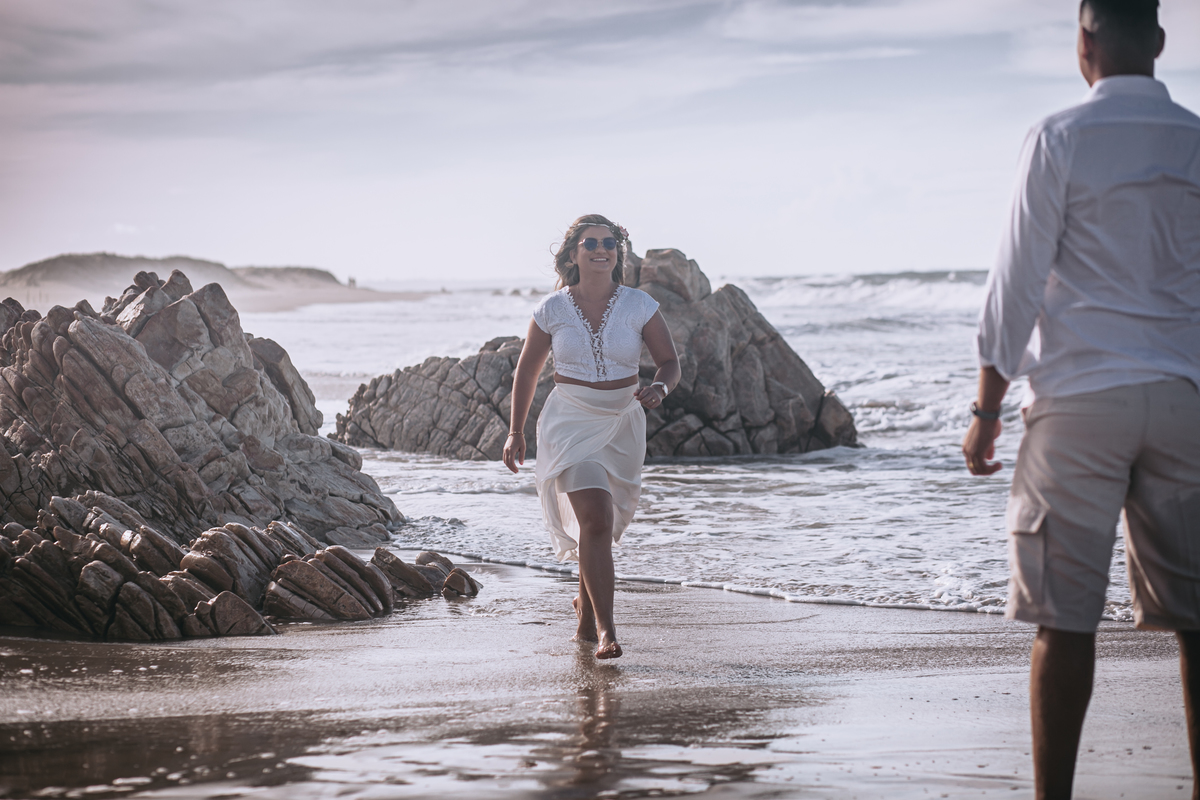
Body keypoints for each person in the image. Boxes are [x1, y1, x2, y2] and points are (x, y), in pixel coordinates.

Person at [962, 1, 1200, 797]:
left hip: (1080, 403)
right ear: (1160, 42)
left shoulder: (1060, 137)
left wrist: (987, 410)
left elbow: (1016, 283)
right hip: (1182, 397)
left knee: (1064, 621)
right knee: (1198, 624)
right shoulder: (1197, 140)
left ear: (1083, 42)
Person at [503, 214, 681, 660]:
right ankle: (606, 631)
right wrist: (515, 431)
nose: (601, 249)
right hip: (570, 421)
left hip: (622, 421)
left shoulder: (641, 305)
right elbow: (527, 370)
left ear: (618, 252)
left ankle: (585, 611)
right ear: (574, 254)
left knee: (598, 526)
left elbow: (669, 363)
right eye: (590, 243)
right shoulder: (552, 310)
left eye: (609, 242)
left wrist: (659, 386)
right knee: (597, 518)